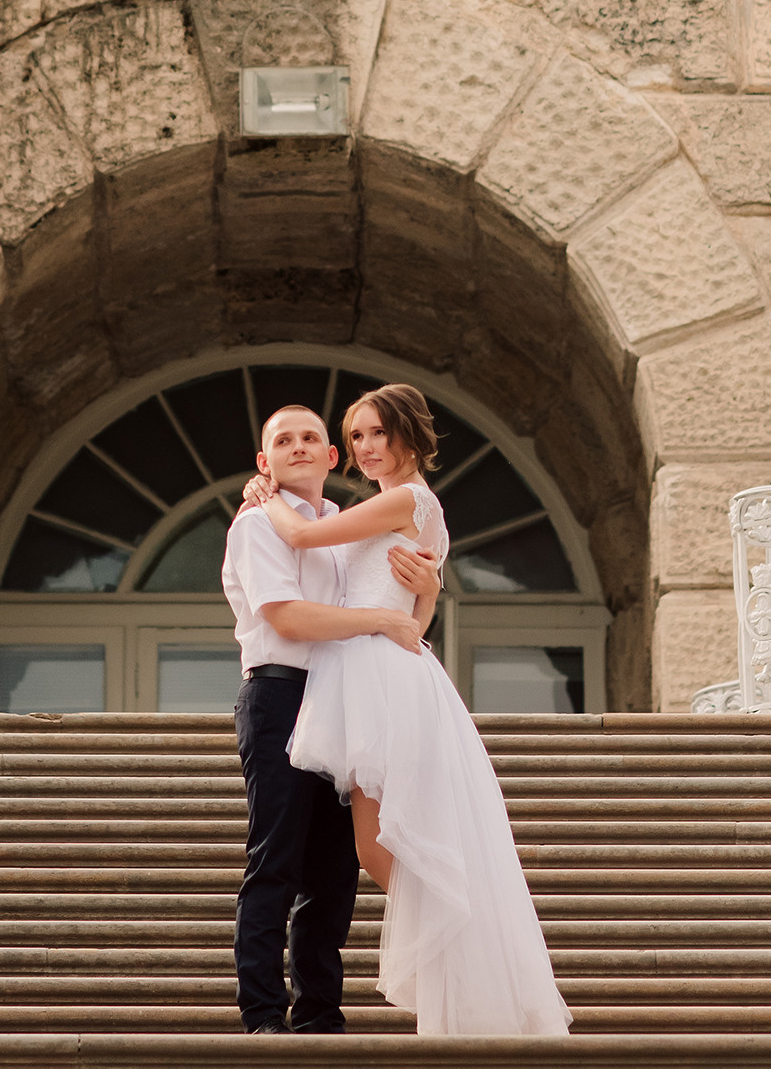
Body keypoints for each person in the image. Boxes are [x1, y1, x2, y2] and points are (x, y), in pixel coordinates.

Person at [244, 383, 571, 1036]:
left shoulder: (404, 499)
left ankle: (472, 944)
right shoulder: (399, 506)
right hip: (362, 675)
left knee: (384, 843)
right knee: (374, 846)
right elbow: (411, 614)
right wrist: (428, 597)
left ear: (406, 434)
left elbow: (307, 538)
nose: (366, 447)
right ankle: (471, 948)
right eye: (358, 435)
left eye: (376, 433)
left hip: (379, 681)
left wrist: (265, 498)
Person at [221, 403, 443, 1036]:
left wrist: (427, 585)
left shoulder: (344, 526)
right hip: (280, 697)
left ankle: (321, 1015)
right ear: (264, 462)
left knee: (334, 872)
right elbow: (288, 618)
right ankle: (263, 1016)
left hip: (345, 700)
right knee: (276, 860)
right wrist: (379, 620)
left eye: (310, 438)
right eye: (282, 441)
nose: (297, 447)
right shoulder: (257, 525)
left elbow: (387, 595)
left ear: (330, 457)